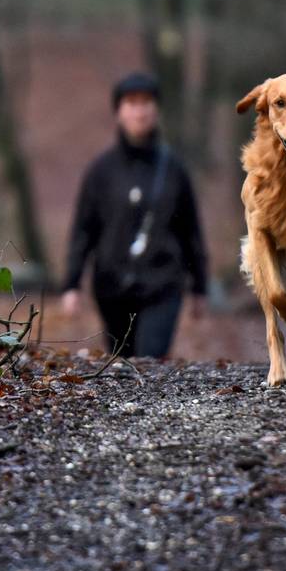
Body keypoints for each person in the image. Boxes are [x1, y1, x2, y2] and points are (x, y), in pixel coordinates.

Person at [60, 72, 207, 358]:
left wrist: (200, 286)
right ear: (118, 112)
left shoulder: (174, 169)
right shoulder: (100, 171)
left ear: (157, 110)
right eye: (131, 103)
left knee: (149, 359)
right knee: (122, 364)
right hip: (111, 286)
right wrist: (71, 284)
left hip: (163, 283)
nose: (139, 110)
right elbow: (83, 230)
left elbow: (191, 230)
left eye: (146, 103)